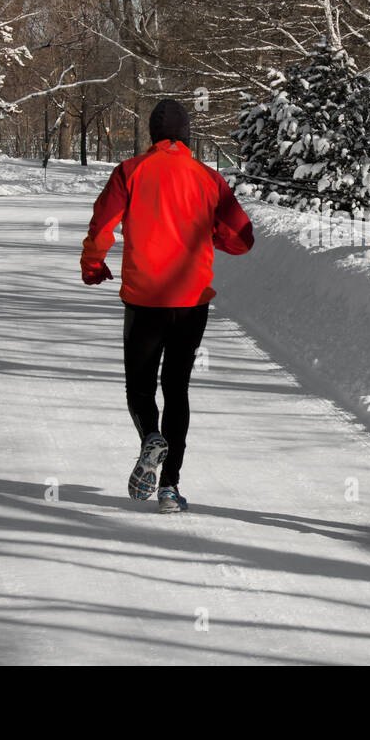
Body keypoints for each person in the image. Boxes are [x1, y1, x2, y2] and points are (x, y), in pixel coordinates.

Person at [80, 99, 254, 514]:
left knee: (139, 385)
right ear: (187, 135)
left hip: (143, 299)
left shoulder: (130, 171)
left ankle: (150, 438)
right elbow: (242, 238)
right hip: (191, 302)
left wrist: (93, 264)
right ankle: (171, 487)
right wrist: (210, 235)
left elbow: (103, 225)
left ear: (153, 135)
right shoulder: (208, 177)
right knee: (177, 388)